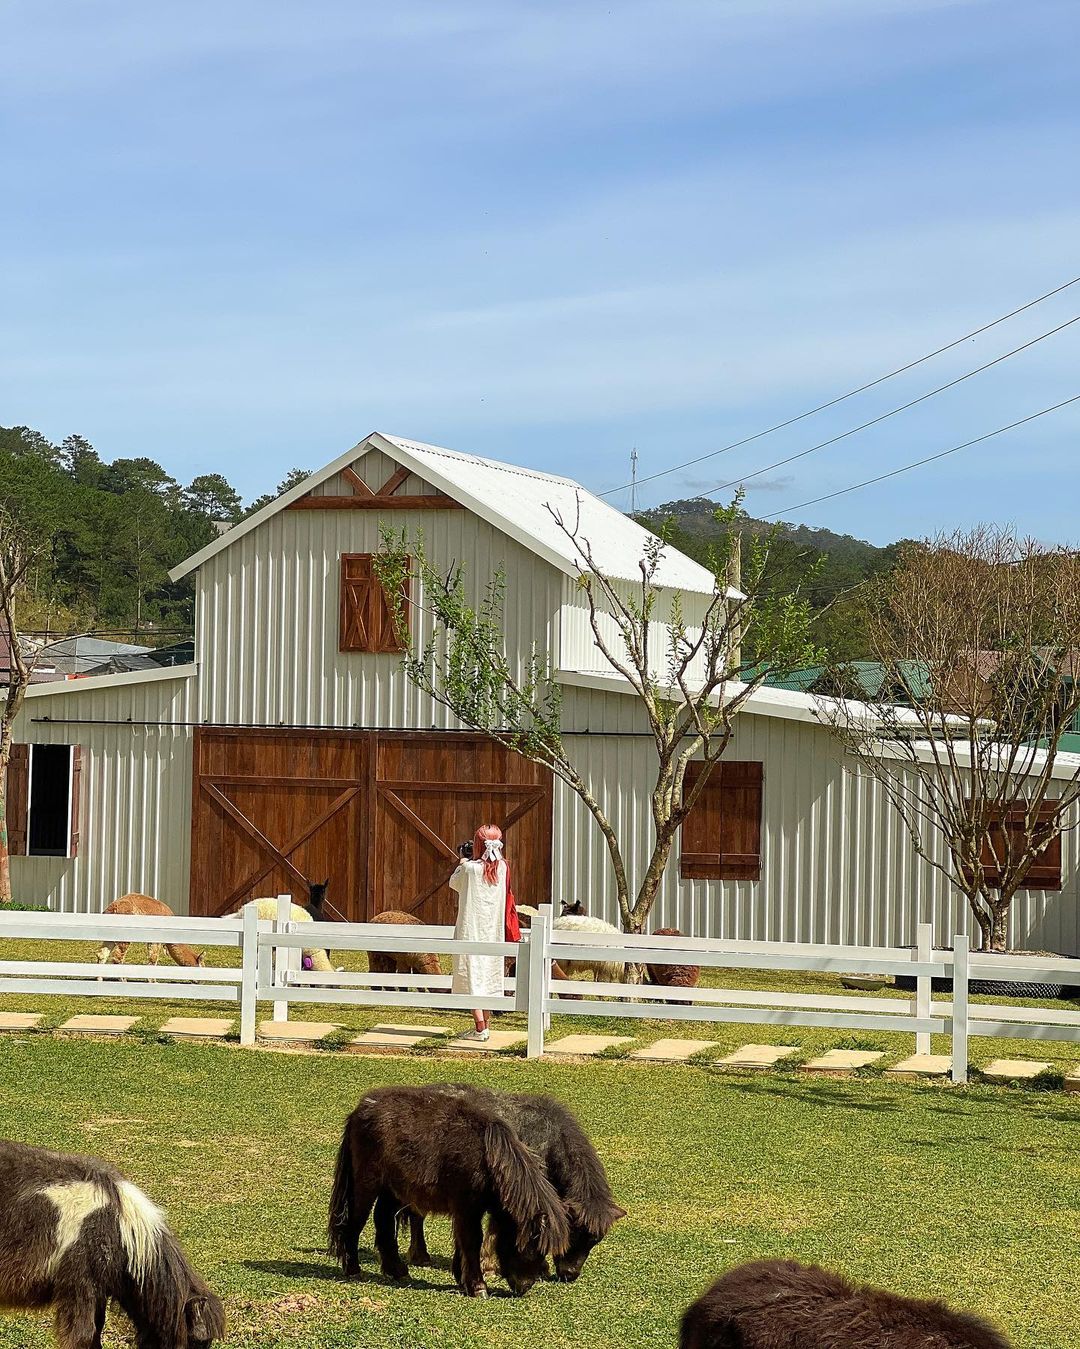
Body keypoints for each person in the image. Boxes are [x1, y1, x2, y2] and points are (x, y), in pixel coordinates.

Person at [449, 824, 520, 1041]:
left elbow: (454, 884)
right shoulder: (504, 868)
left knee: (473, 975)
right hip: (493, 931)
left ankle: (480, 1027)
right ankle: (484, 1025)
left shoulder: (469, 869)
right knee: (488, 975)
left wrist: (463, 863)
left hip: (471, 929)